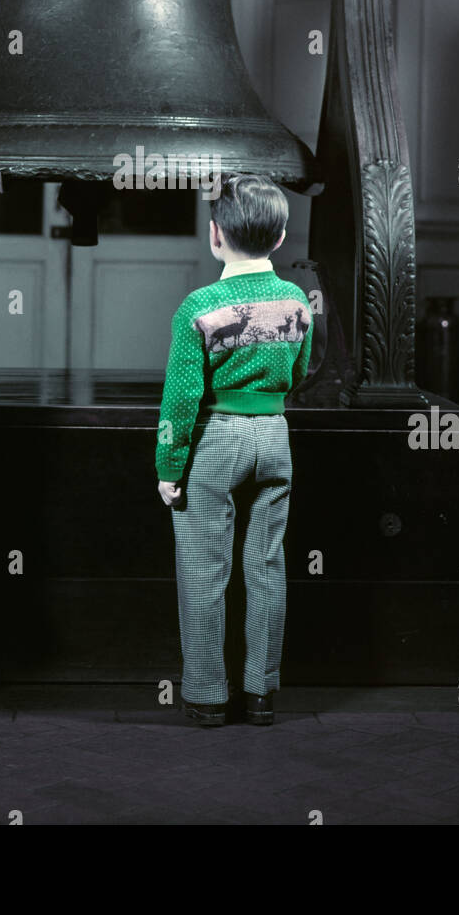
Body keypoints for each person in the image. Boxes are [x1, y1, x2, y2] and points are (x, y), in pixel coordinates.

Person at [156, 173, 313, 727]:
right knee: (267, 566)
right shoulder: (296, 300)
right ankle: (262, 694)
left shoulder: (199, 305)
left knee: (204, 567)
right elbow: (298, 372)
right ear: (280, 237)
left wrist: (169, 467)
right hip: (274, 437)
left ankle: (206, 695)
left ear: (214, 233)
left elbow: (181, 397)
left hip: (216, 438)